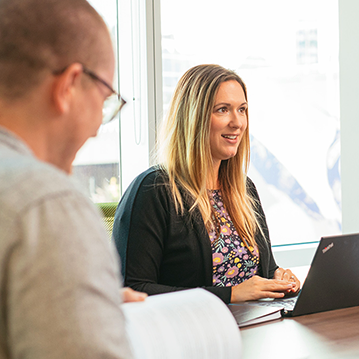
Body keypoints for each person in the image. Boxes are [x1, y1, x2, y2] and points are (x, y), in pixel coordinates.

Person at [0, 0, 146, 358]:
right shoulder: (48, 204)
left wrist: (75, 301)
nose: (99, 125)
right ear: (69, 85)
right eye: (105, 98)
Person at [113, 64, 300, 304]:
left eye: (242, 110)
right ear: (194, 118)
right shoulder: (153, 190)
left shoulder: (244, 189)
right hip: (186, 335)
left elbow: (262, 271)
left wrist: (278, 277)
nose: (237, 122)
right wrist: (230, 294)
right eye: (223, 110)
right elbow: (133, 290)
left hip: (252, 330)